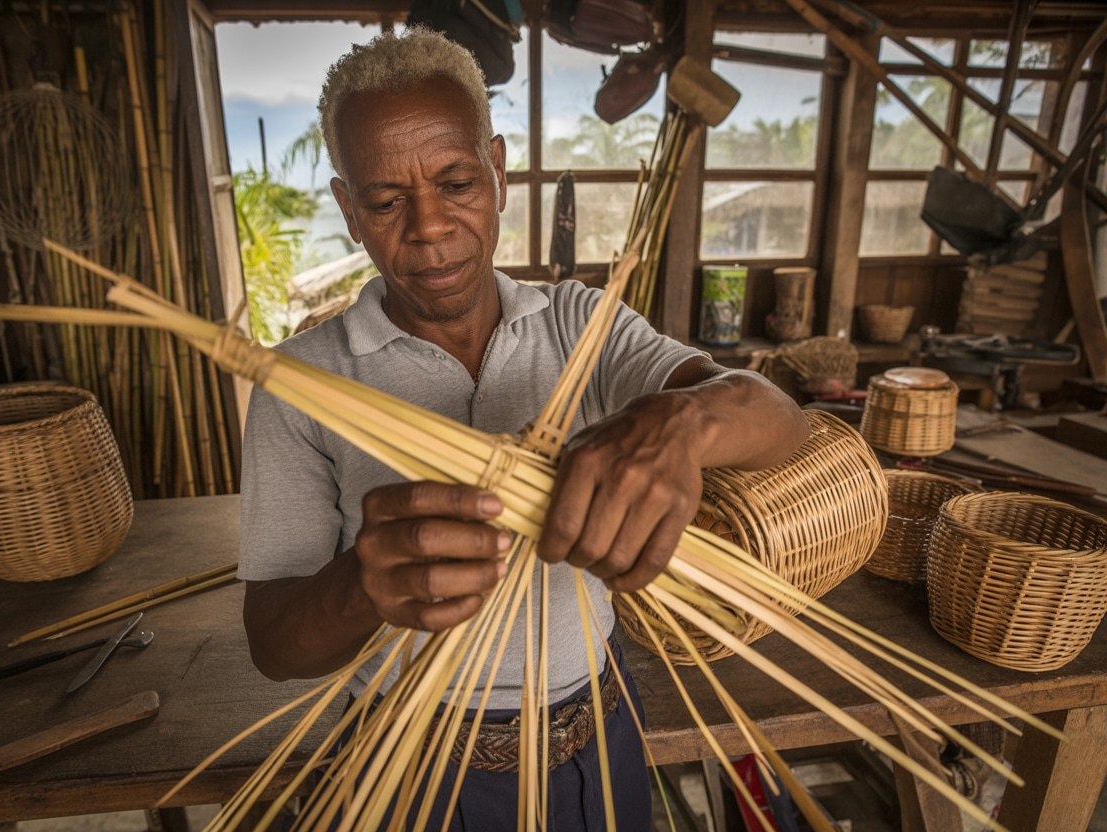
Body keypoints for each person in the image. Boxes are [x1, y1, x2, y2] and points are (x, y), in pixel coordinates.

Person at [238, 27, 809, 830]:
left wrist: (679, 422)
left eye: (457, 181)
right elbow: (274, 644)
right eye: (386, 200)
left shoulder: (578, 322)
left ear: (499, 172)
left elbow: (777, 415)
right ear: (348, 209)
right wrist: (363, 581)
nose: (430, 226)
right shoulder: (301, 385)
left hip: (600, 734)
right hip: (408, 765)